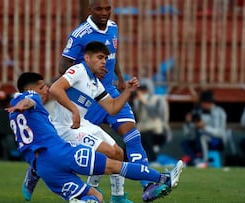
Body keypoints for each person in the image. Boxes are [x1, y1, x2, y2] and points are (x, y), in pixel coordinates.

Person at [7, 72, 183, 203]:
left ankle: (90, 199)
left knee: (97, 197)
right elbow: (29, 100)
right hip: (62, 151)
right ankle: (163, 179)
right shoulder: (30, 96)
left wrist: (125, 89)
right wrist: (23, 104)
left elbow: (111, 107)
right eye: (43, 86)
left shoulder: (14, 111)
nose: (47, 90)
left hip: (45, 167)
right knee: (114, 164)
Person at [56, 0, 165, 201]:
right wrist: (87, 75)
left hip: (111, 92)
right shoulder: (80, 34)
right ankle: (37, 169)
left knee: (132, 135)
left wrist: (120, 78)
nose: (104, 13)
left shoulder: (113, 27)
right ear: (90, 10)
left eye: (108, 8)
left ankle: (147, 185)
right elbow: (63, 67)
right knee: (85, 149)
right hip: (90, 98)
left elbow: (111, 56)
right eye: (99, 9)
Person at [181, 90, 227, 168]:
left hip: (216, 141)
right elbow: (188, 134)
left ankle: (204, 161)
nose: (206, 105)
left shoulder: (219, 112)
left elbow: (220, 133)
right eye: (204, 103)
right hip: (199, 140)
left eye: (208, 103)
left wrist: (204, 127)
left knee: (202, 137)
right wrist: (187, 123)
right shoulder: (197, 112)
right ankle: (196, 161)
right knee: (185, 143)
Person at [132, 78, 172, 163]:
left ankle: (153, 159)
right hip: (142, 129)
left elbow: (155, 115)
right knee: (134, 137)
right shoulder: (137, 101)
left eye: (144, 89)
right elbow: (137, 118)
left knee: (145, 136)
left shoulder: (158, 100)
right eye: (140, 89)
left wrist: (145, 102)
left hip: (158, 131)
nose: (142, 92)